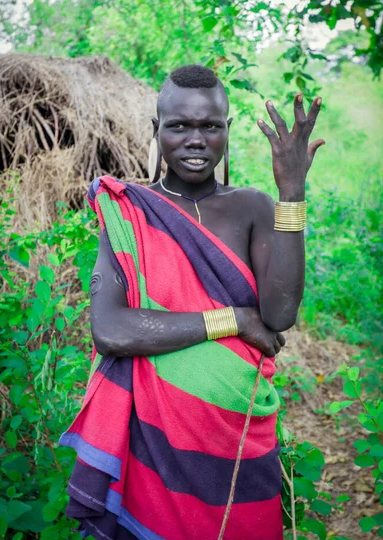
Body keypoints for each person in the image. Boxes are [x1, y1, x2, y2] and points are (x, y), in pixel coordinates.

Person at [59, 65, 324, 540]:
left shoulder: (254, 207)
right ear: (157, 131)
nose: (196, 139)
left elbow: (280, 314)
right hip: (154, 443)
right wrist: (235, 319)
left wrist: (292, 191)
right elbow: (113, 331)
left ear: (226, 131)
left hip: (240, 434)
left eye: (210, 126)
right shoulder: (131, 210)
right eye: (179, 126)